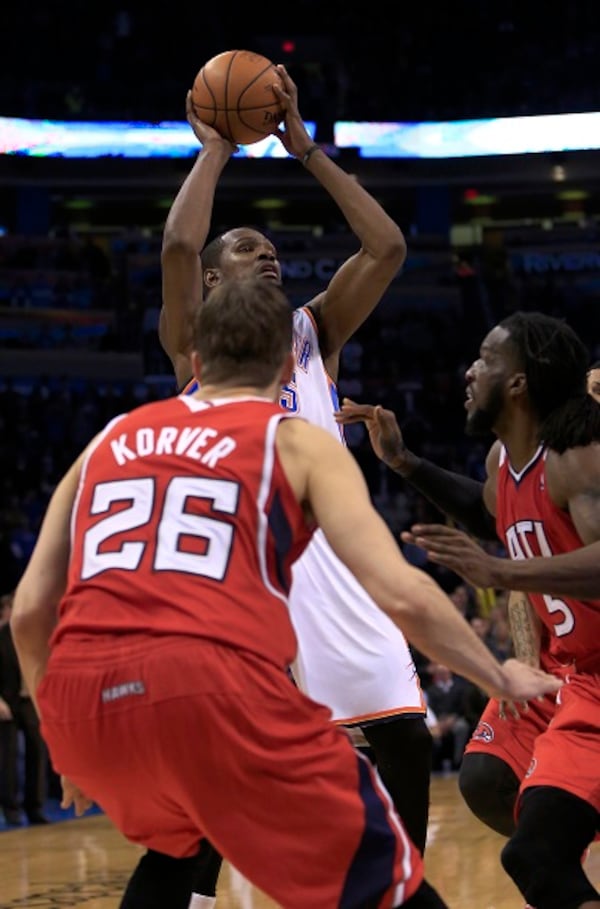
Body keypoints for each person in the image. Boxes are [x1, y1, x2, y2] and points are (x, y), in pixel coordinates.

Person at [9, 280, 561, 909]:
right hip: (205, 686)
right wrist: (498, 676)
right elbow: (401, 591)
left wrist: (63, 739)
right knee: (383, 881)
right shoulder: (293, 438)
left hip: (86, 702)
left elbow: (30, 611)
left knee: (176, 846)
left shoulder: (107, 439)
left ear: (194, 361)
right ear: (283, 364)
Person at [160, 63, 431, 905]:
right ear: (210, 282)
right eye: (247, 248)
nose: (268, 254)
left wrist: (306, 149)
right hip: (249, 585)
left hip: (342, 582)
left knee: (404, 759)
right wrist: (216, 148)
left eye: (275, 249)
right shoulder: (192, 343)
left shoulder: (314, 331)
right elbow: (176, 245)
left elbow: (386, 247)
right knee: (207, 817)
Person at [337, 311, 600, 908]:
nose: (469, 371)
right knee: (487, 780)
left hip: (595, 677)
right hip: (567, 673)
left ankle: (560, 834)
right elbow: (491, 515)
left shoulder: (577, 456)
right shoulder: (503, 462)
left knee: (537, 855)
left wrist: (502, 571)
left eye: (485, 359)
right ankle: (561, 834)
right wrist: (405, 463)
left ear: (518, 383)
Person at [0, 590, 49, 826]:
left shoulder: (31, 633)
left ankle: (35, 808)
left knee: (37, 754)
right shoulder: (1, 636)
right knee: (7, 758)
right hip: (6, 702)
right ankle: (11, 810)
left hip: (29, 700)